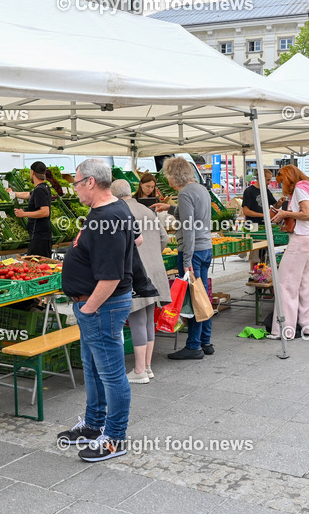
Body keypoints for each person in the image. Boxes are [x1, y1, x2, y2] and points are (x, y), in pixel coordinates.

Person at [57, 159, 136, 462]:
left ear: (90, 182)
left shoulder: (109, 217)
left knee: (112, 374)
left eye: (76, 184)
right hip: (94, 304)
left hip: (101, 306)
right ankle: (93, 425)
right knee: (92, 368)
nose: (74, 190)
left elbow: (112, 275)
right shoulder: (107, 211)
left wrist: (89, 309)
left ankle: (115, 438)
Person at [154, 157, 214, 359]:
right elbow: (195, 216)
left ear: (173, 176)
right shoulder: (201, 189)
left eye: (168, 175)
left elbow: (188, 228)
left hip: (193, 251)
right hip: (205, 248)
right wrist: (169, 208)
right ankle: (206, 341)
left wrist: (187, 261)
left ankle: (193, 346)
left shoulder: (185, 193)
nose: (167, 180)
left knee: (194, 298)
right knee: (202, 294)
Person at [112, 180, 170, 383]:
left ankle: (139, 371)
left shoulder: (118, 212)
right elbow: (165, 238)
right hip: (155, 270)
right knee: (148, 320)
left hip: (136, 273)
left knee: (137, 318)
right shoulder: (147, 210)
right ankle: (148, 366)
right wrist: (153, 254)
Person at [268, 165, 309, 339]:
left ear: (289, 177)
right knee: (305, 283)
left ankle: (284, 329)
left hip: (300, 238)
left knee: (285, 284)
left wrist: (284, 213)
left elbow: (308, 213)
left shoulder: (299, 189)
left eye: (282, 181)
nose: (283, 185)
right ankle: (306, 325)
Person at [11, 161, 53, 258]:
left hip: (39, 236)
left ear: (32, 172)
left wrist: (24, 214)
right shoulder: (44, 187)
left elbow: (45, 212)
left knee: (35, 266)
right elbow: (28, 195)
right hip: (44, 235)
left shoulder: (39, 190)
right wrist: (13, 193)